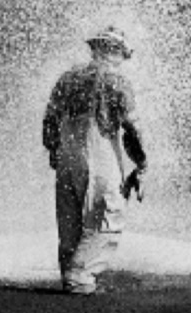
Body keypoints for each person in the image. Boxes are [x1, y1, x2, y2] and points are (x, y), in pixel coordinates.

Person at [42, 26, 148, 295]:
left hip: (67, 156)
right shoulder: (116, 81)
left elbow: (49, 121)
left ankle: (70, 274)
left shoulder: (68, 78)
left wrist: (55, 152)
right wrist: (142, 164)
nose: (122, 60)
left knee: (71, 220)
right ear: (113, 51)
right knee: (105, 216)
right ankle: (80, 276)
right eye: (122, 54)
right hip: (99, 156)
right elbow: (132, 129)